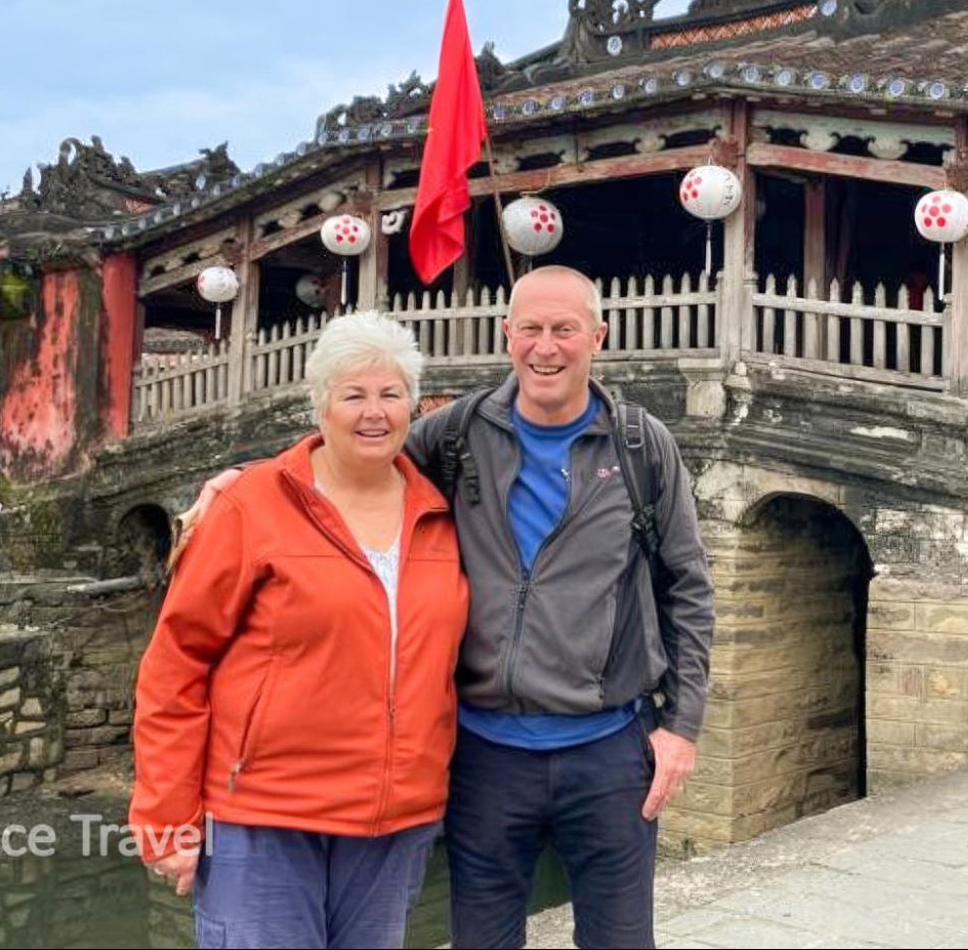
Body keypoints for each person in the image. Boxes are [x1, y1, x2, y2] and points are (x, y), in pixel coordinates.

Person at [180, 265, 714, 949]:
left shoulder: (641, 447)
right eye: (530, 328)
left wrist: (682, 725)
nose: (545, 347)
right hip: (485, 753)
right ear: (507, 335)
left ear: (597, 336)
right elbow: (355, 449)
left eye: (564, 329)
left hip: (608, 749)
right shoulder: (459, 434)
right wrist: (251, 478)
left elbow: (688, 586)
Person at [130, 312, 469, 949]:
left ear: (414, 406)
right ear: (318, 405)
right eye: (354, 394)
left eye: (391, 394)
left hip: (393, 821)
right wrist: (167, 818)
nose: (375, 412)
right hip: (266, 814)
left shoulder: (442, 515)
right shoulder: (251, 505)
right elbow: (177, 665)